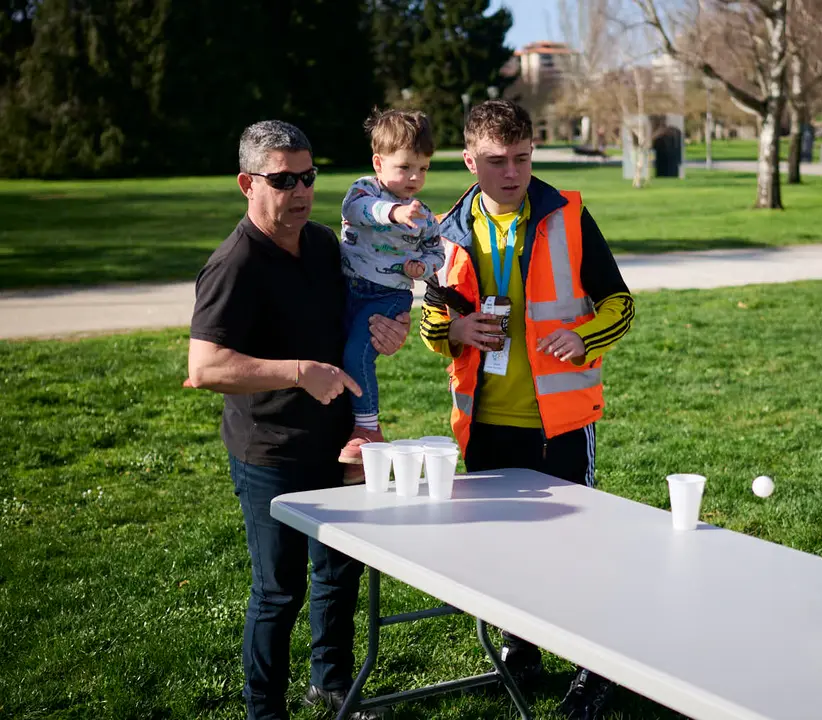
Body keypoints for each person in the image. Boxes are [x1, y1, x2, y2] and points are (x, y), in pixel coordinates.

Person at [420, 99, 635, 719]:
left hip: (560, 421)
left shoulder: (568, 214)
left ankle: (595, 671)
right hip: (483, 421)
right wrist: (455, 332)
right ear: (470, 160)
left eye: (521, 158)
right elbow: (434, 325)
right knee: (505, 551)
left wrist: (584, 336)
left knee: (576, 551)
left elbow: (619, 301)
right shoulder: (445, 230)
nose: (511, 173)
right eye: (495, 161)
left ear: (532, 153)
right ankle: (522, 650)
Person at [186, 120, 408, 720]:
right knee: (279, 590)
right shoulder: (234, 264)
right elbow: (205, 367)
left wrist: (387, 331)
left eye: (308, 176)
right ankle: (266, 711)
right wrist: (298, 371)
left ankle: (331, 685)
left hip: (337, 441)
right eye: (283, 180)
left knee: (338, 570)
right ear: (247, 184)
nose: (301, 190)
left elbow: (356, 315)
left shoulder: (321, 245)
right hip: (271, 449)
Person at [336, 109, 445, 461]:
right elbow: (355, 210)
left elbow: (437, 252)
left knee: (358, 354)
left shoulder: (423, 213)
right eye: (405, 167)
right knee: (336, 349)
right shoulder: (364, 189)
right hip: (348, 288)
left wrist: (422, 266)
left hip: (389, 296)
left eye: (423, 169)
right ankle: (340, 425)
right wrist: (393, 213)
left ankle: (367, 427)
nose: (415, 177)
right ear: (378, 163)